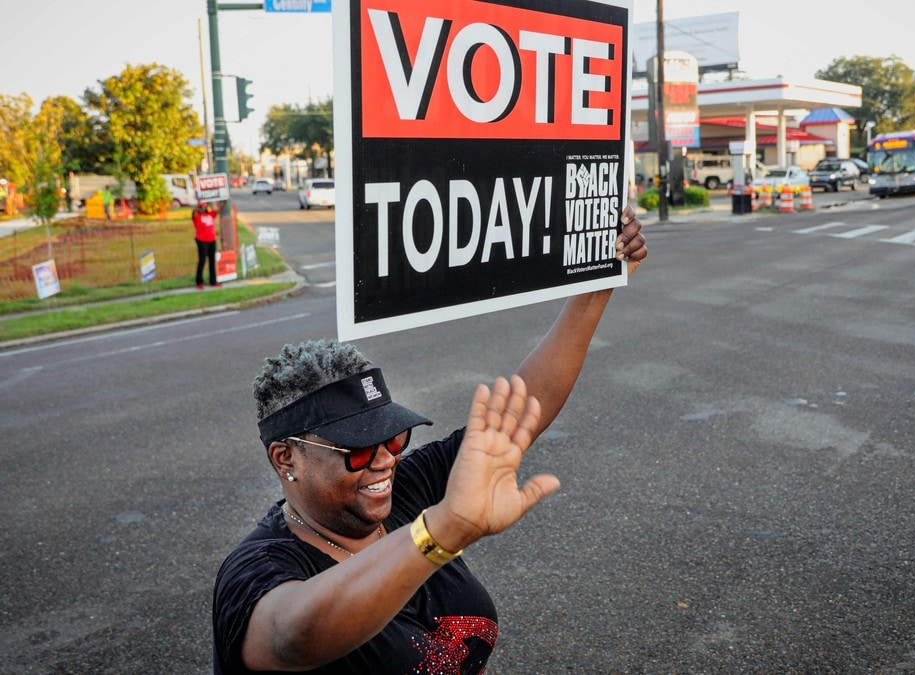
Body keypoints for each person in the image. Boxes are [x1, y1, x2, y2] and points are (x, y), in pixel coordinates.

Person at [212, 208, 647, 674]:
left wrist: (599, 282)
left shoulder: (404, 492)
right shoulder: (257, 571)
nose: (383, 461)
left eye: (393, 439)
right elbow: (292, 636)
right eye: (357, 449)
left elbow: (525, 410)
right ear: (285, 458)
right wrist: (439, 532)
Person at [193, 201, 219, 289]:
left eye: (205, 206)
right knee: (202, 260)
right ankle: (199, 282)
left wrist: (224, 201)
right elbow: (194, 212)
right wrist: (199, 205)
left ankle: (213, 281)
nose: (204, 208)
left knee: (212, 261)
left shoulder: (211, 214)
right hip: (202, 240)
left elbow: (218, 210)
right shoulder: (197, 216)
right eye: (202, 207)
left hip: (212, 240)